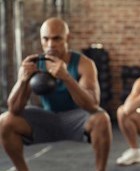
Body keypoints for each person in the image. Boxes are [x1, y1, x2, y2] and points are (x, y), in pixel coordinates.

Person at [0, 17, 112, 171]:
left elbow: (93, 105)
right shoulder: (33, 64)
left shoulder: (84, 64)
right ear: (41, 40)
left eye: (56, 39)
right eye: (45, 39)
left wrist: (66, 77)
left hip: (77, 118)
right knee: (4, 121)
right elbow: (14, 109)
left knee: (102, 118)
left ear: (68, 38)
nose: (50, 44)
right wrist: (22, 80)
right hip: (47, 118)